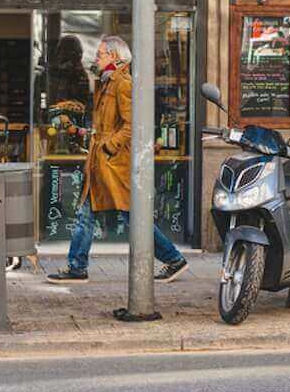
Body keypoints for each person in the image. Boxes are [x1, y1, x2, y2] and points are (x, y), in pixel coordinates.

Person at [47, 34, 188, 283]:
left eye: (100, 54)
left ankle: (173, 258)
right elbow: (107, 124)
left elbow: (131, 123)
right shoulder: (106, 82)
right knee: (86, 213)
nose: (96, 58)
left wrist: (109, 147)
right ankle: (77, 266)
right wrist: (85, 134)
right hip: (101, 161)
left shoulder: (122, 83)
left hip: (113, 164)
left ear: (114, 56)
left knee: (132, 216)